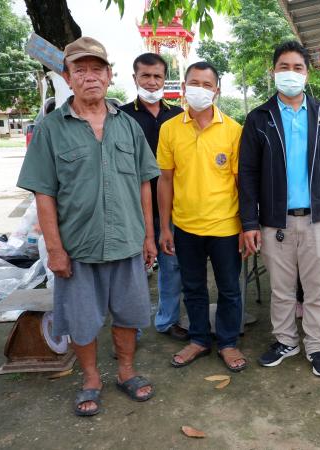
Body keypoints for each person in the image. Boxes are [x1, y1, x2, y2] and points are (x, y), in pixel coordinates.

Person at [17, 37, 160, 416]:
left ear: (110, 75)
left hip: (127, 242)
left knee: (129, 315)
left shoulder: (128, 127)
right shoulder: (51, 129)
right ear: (68, 78)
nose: (90, 77)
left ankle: (126, 371)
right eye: (80, 70)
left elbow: (144, 184)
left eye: (97, 69)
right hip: (77, 247)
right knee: (82, 320)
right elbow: (43, 193)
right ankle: (91, 379)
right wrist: (54, 249)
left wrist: (149, 237)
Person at [239, 41, 320, 377]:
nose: (291, 73)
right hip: (276, 221)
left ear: (307, 73)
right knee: (282, 289)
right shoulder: (259, 118)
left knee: (316, 288)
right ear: (273, 72)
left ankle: (317, 346)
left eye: (297, 67)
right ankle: (285, 341)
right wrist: (249, 222)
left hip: (318, 218)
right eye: (283, 67)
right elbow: (247, 173)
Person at [157, 61, 248, 372]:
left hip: (225, 226)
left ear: (217, 91)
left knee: (229, 288)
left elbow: (241, 183)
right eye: (194, 83)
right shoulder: (170, 129)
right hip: (185, 226)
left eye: (207, 85)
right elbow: (165, 180)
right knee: (193, 287)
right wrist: (165, 227)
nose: (200, 89)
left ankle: (228, 342)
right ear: (184, 88)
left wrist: (245, 226)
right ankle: (198, 339)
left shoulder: (234, 130)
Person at [119, 53, 187, 341]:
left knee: (172, 266)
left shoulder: (179, 115)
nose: (151, 82)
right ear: (134, 78)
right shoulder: (120, 116)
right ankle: (129, 330)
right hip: (133, 206)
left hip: (171, 205)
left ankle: (167, 320)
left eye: (157, 76)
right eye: (145, 76)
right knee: (132, 270)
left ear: (165, 79)